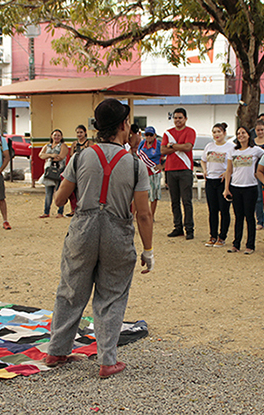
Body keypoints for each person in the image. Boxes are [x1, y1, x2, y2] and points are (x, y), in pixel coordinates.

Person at [45, 98, 154, 379]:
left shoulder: (80, 157)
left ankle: (57, 350)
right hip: (118, 231)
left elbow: (58, 199)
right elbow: (143, 214)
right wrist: (148, 250)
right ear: (123, 126)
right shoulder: (134, 165)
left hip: (83, 228)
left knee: (71, 290)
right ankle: (107, 360)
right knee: (112, 295)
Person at [223, 127, 264, 254]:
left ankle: (250, 245)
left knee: (249, 216)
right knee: (238, 216)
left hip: (250, 187)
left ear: (249, 135)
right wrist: (227, 188)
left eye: (243, 133)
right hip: (236, 186)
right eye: (238, 133)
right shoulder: (233, 151)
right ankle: (236, 243)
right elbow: (229, 170)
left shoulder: (255, 150)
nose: (241, 135)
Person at [161, 108, 196, 239]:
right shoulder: (168, 133)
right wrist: (177, 146)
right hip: (170, 170)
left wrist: (172, 146)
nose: (177, 120)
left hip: (185, 169)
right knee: (174, 201)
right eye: (175, 118)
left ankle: (189, 229)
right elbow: (163, 150)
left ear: (185, 119)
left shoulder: (190, 131)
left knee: (186, 200)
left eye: (180, 118)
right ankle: (178, 227)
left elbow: (188, 147)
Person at [201, 122, 235, 248]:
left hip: (223, 182)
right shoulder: (209, 146)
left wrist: (227, 172)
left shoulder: (230, 147)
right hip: (210, 180)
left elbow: (233, 162)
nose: (216, 134)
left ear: (224, 133)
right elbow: (203, 160)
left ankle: (222, 236)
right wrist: (204, 170)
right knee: (212, 210)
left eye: (219, 132)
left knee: (224, 210)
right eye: (214, 132)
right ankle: (213, 235)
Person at [39, 129, 69, 218]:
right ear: (51, 136)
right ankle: (46, 211)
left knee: (60, 192)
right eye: (55, 135)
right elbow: (40, 155)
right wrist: (52, 155)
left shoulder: (63, 146)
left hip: (59, 171)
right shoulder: (47, 146)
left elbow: (61, 156)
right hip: (48, 171)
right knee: (48, 193)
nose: (56, 137)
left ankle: (60, 212)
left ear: (62, 137)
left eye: (59, 135)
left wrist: (47, 156)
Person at [137, 126, 163, 220]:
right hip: (143, 172)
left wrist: (162, 166)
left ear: (155, 135)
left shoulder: (159, 144)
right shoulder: (142, 143)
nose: (149, 137)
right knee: (140, 194)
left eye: (151, 135)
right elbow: (138, 154)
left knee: (154, 195)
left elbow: (167, 155)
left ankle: (151, 215)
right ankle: (141, 214)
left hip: (154, 173)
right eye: (147, 135)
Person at [67, 124, 94, 216]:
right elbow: (71, 155)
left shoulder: (89, 143)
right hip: (75, 168)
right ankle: (74, 209)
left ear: (85, 133)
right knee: (73, 190)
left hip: (85, 168)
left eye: (81, 132)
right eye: (77, 132)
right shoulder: (74, 144)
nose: (79, 134)